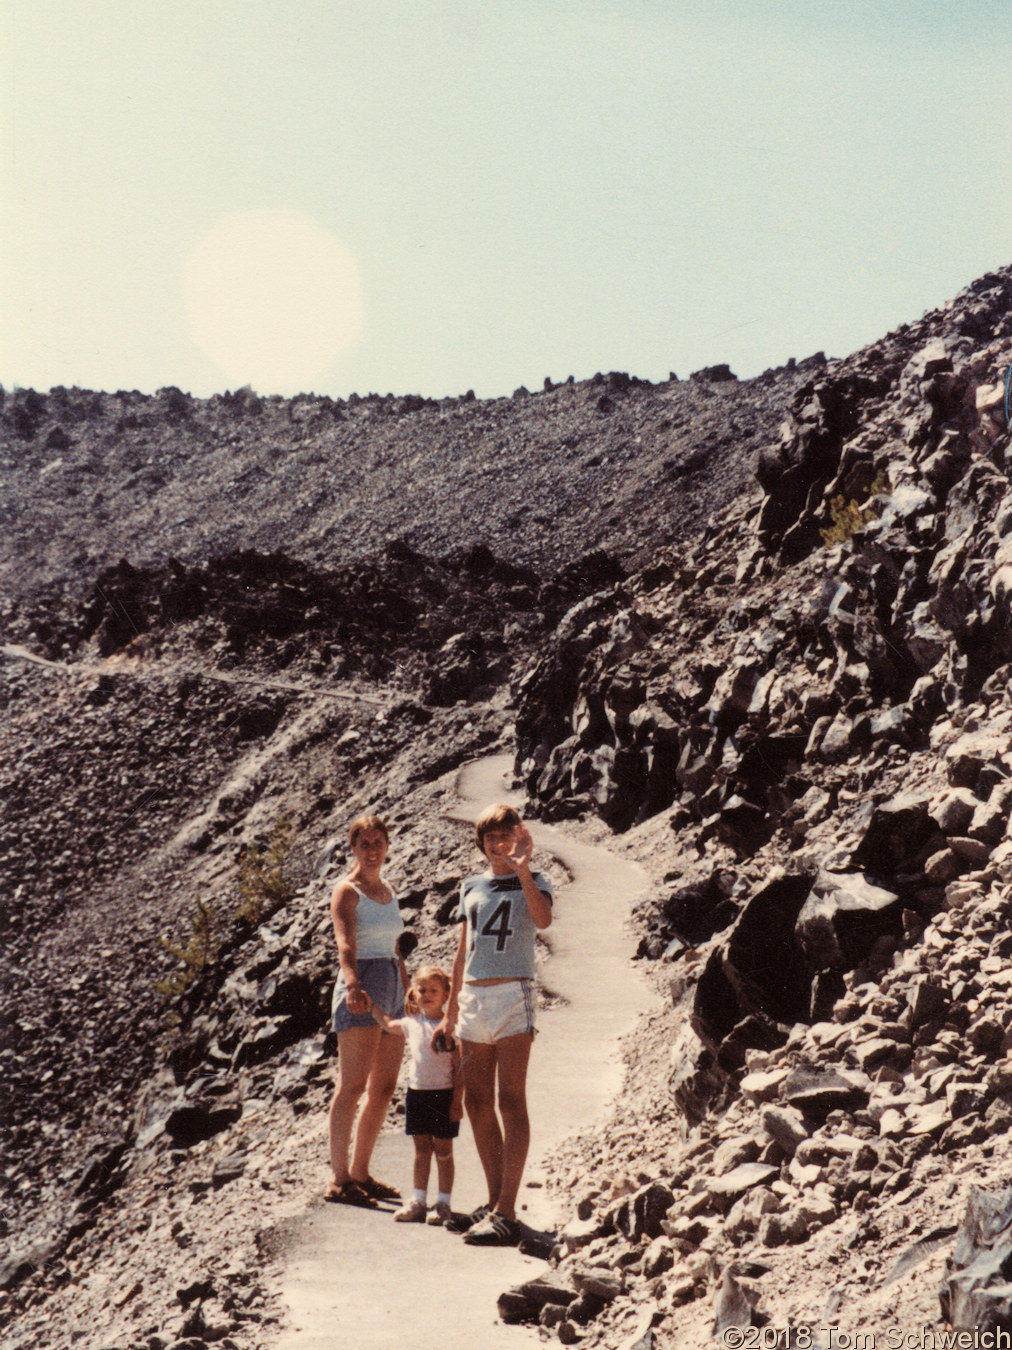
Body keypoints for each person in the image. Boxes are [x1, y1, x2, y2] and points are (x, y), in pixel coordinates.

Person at [434, 803, 553, 1246]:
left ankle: (507, 1209)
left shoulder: (537, 882)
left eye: (506, 835)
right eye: (490, 838)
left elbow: (543, 920)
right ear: (481, 843)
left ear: (518, 838)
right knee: (477, 1102)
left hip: (512, 995)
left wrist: (523, 871)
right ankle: (492, 1201)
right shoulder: (471, 886)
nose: (498, 844)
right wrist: (449, 1011)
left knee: (511, 1100)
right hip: (473, 999)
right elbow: (463, 950)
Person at [325, 814, 408, 1207]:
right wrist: (353, 983)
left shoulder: (389, 889)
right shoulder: (347, 891)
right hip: (362, 982)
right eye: (364, 844)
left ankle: (361, 1172)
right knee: (354, 1084)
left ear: (387, 845)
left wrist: (407, 991)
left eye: (378, 842)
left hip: (391, 982)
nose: (372, 850)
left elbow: (396, 946)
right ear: (353, 848)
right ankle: (339, 1180)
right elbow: (345, 943)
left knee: (384, 1087)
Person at [363, 965, 463, 1226]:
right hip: (417, 1094)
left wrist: (457, 1101)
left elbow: (459, 1068)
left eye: (433, 990)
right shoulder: (411, 1024)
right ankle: (418, 1200)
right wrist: (371, 1006)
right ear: (413, 994)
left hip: (444, 1095)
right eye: (422, 990)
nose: (427, 995)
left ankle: (443, 1203)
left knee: (443, 1150)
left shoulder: (450, 1027)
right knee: (421, 1150)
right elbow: (387, 1023)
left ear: (445, 995)